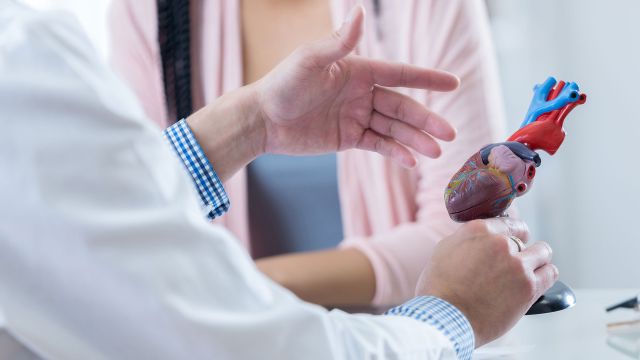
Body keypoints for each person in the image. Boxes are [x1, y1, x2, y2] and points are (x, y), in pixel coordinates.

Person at [0, 2, 558, 359]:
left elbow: (105, 212)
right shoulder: (42, 50)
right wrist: (452, 313)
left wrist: (249, 125)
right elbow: (230, 335)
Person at [109, 0, 508, 307]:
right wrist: (248, 126)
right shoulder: (152, 13)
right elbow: (133, 231)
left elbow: (473, 234)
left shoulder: (424, 8)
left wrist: (251, 287)